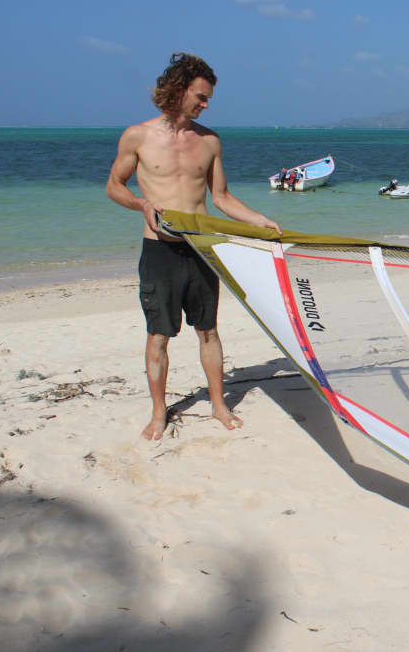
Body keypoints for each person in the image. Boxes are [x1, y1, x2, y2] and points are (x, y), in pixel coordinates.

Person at [106, 52, 282, 441]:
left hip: (202, 249)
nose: (205, 105)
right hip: (160, 250)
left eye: (208, 99)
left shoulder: (210, 141)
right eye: (200, 97)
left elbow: (221, 197)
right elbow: (114, 186)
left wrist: (260, 221)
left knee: (208, 330)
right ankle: (158, 412)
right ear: (179, 90)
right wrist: (142, 204)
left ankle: (218, 404)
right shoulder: (137, 136)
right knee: (158, 335)